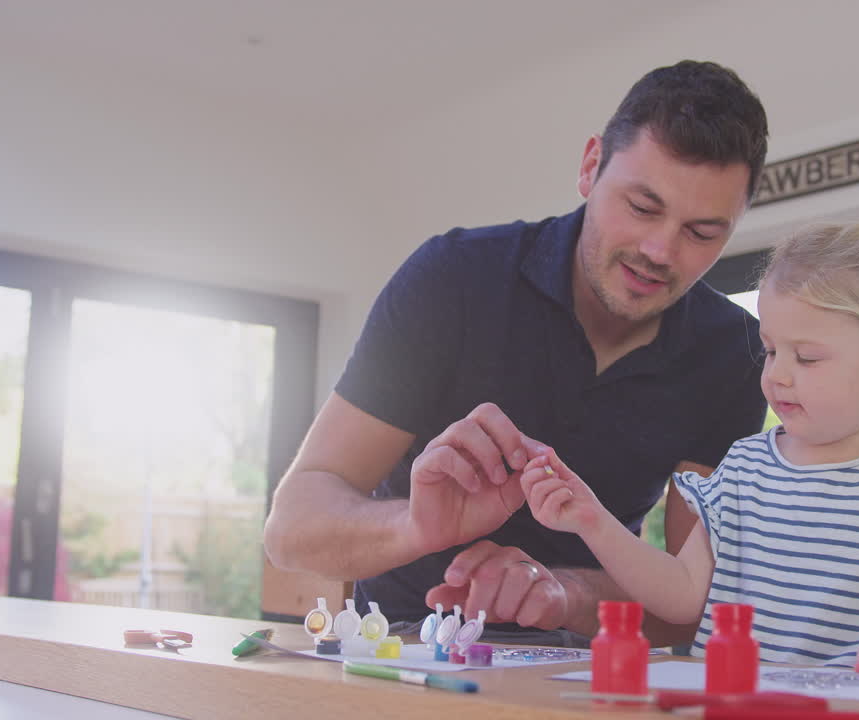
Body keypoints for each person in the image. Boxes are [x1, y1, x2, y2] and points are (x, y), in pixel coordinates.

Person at [263, 60, 771, 645]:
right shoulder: (453, 279)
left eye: (702, 233)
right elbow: (291, 531)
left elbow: (696, 603)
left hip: (587, 665)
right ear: (590, 167)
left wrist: (566, 595)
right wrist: (416, 524)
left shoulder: (733, 352)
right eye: (642, 207)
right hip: (401, 649)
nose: (660, 251)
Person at [520, 220, 859, 677]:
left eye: (806, 358)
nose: (778, 374)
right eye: (770, 350)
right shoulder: (746, 466)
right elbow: (682, 592)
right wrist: (593, 521)